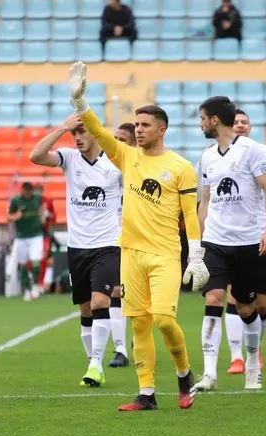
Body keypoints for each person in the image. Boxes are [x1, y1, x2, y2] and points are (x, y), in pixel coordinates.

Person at [69, 61, 207, 411]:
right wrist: (80, 102)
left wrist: (196, 255)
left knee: (164, 320)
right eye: (137, 124)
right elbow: (97, 131)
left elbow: (190, 214)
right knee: (140, 324)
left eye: (145, 125)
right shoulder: (127, 157)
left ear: (162, 129)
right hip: (130, 253)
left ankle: (184, 372)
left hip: (164, 255)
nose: (139, 130)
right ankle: (146, 393)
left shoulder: (181, 167)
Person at [30, 115, 124, 388]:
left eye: (82, 132)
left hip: (108, 244)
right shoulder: (69, 158)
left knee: (99, 302)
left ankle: (96, 364)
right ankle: (93, 362)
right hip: (78, 247)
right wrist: (62, 129)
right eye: (75, 134)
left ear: (95, 131)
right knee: (85, 308)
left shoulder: (115, 161)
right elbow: (36, 156)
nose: (78, 138)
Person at [192, 98, 266, 392]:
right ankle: (209, 373)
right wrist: (199, 243)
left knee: (245, 307)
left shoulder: (252, 150)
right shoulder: (207, 157)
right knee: (214, 298)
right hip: (215, 241)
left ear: (214, 120)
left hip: (247, 242)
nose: (200, 123)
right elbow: (205, 200)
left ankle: (252, 363)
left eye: (202, 118)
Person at [206, 109, 266, 377]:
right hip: (225, 238)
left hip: (256, 237)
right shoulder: (212, 155)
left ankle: (255, 348)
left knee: (260, 303)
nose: (240, 125)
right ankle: (237, 356)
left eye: (244, 121)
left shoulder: (262, 152)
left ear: (250, 126)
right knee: (229, 296)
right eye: (235, 122)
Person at [107, 121, 137, 367]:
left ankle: (139, 336)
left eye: (122, 140)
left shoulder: (141, 169)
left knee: (141, 297)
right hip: (115, 240)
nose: (116, 144)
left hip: (143, 241)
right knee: (116, 291)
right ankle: (120, 350)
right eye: (114, 139)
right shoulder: (106, 167)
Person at [8, 182, 46, 301]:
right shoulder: (16, 201)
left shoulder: (38, 198)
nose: (28, 193)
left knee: (36, 261)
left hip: (36, 235)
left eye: (30, 190)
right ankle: (26, 289)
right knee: (23, 263)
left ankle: (35, 285)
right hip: (21, 236)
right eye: (26, 190)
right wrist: (16, 216)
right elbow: (9, 217)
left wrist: (42, 216)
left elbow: (42, 208)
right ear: (23, 190)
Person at [35, 183, 56, 297]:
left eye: (40, 190)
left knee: (44, 259)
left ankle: (41, 284)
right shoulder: (32, 203)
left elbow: (54, 217)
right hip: (33, 234)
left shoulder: (47, 201)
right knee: (34, 260)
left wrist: (48, 215)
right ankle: (34, 283)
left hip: (44, 234)